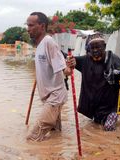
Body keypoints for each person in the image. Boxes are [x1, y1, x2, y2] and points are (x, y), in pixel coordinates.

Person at [66, 34, 120, 131]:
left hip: (111, 108)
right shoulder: (85, 60)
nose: (95, 50)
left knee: (108, 128)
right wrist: (70, 60)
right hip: (94, 108)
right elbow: (67, 57)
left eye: (98, 47)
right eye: (93, 48)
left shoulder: (113, 59)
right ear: (89, 49)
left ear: (104, 47)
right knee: (94, 129)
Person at [26, 12, 72, 141]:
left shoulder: (49, 42)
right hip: (49, 97)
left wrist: (70, 66)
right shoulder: (39, 45)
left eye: (31, 25)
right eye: (27, 25)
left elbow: (65, 71)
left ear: (42, 26)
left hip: (55, 97)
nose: (28, 29)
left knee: (31, 139)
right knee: (56, 135)